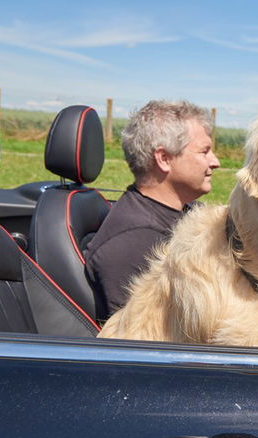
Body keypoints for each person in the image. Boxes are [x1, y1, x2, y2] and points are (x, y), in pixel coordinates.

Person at [85, 100, 220, 321]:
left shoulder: (182, 212)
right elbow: (142, 340)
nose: (215, 162)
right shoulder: (134, 242)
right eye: (204, 151)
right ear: (164, 158)